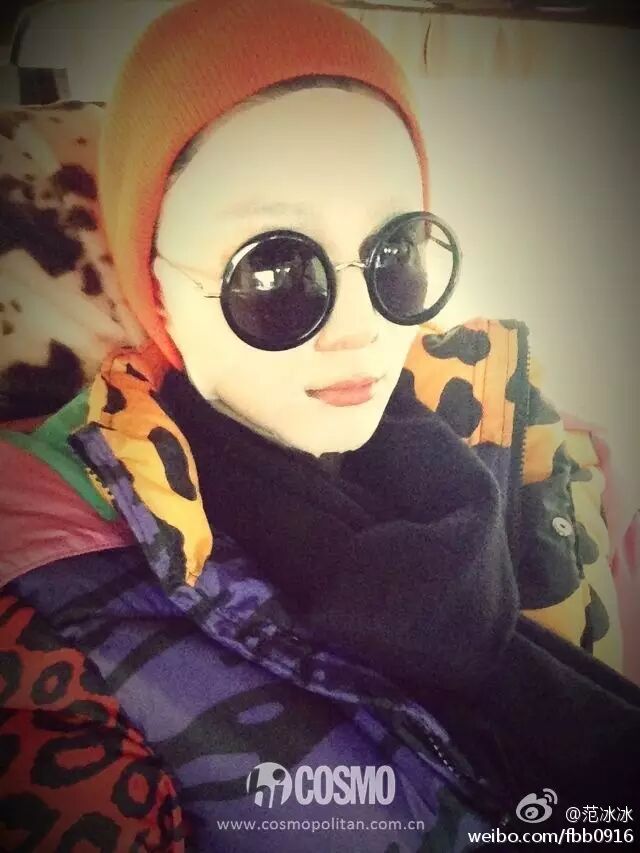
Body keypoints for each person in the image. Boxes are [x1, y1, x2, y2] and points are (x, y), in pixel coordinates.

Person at [0, 0, 639, 850]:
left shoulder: (528, 432)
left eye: (395, 254)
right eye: (273, 269)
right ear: (158, 292)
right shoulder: (48, 601)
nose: (360, 329)